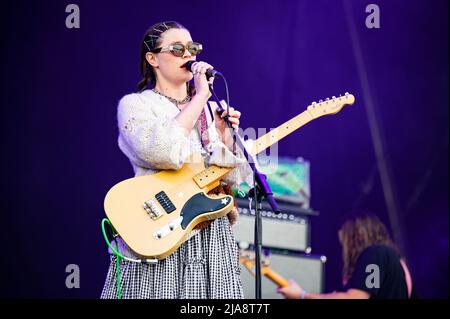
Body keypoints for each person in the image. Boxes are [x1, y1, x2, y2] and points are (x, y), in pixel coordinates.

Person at [101, 21, 252, 299]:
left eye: (192, 48)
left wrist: (225, 138)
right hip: (157, 228)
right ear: (152, 58)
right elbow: (163, 151)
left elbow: (235, 179)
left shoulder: (211, 112)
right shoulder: (137, 105)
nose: (189, 55)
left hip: (207, 231)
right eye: (178, 48)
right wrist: (199, 98)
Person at [277, 212, 416, 299]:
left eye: (345, 241)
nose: (345, 249)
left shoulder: (374, 254)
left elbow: (356, 298)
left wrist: (302, 295)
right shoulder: (396, 261)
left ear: (357, 237)